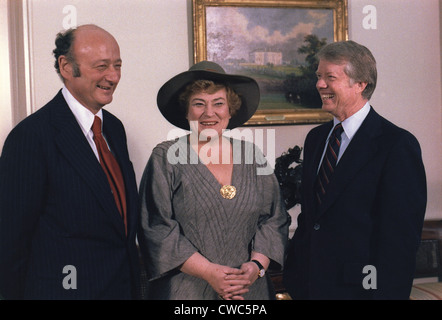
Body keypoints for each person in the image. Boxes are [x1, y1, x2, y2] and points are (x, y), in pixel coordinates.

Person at [0, 24, 140, 299]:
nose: (112, 76)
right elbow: (10, 242)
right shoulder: (31, 137)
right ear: (66, 67)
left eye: (117, 65)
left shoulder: (114, 128)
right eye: (101, 66)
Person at [283, 40, 427, 300]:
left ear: (361, 84)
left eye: (330, 77)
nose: (319, 84)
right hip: (308, 285)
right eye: (318, 76)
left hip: (361, 291)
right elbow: (312, 217)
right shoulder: (316, 138)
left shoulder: (396, 144)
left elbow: (400, 241)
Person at [138, 61, 289, 300]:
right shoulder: (165, 157)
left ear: (230, 110)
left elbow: (274, 219)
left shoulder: (253, 156)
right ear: (186, 111)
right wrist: (210, 273)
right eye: (199, 104)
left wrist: (256, 267)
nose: (209, 113)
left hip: (248, 291)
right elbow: (157, 228)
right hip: (186, 292)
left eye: (218, 103)